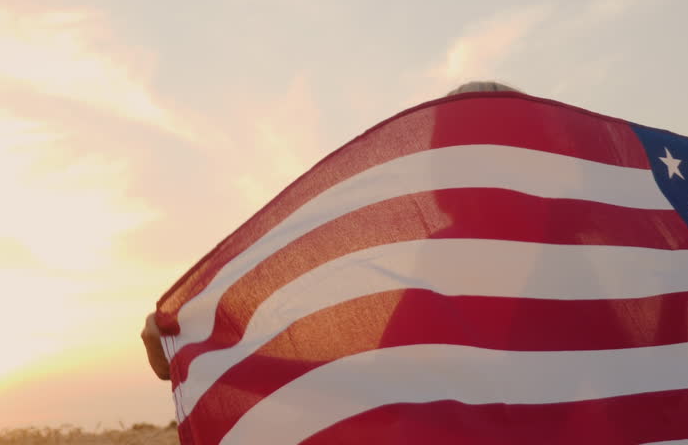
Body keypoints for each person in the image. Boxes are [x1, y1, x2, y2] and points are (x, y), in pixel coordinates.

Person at [139, 80, 518, 380]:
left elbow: (377, 389)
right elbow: (386, 385)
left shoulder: (448, 256)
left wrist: (203, 359)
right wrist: (201, 358)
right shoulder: (467, 256)